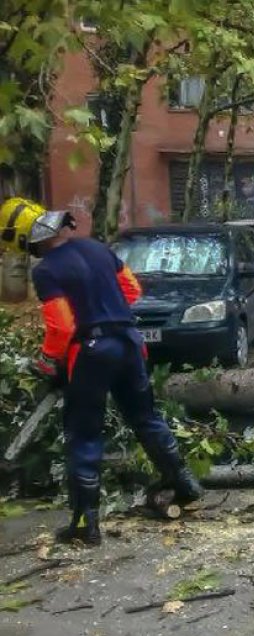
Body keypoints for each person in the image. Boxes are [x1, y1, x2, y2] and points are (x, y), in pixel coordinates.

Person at [26, 210, 203, 546]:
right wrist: (104, 304)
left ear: (34, 241)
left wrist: (49, 360)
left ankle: (85, 524)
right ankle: (184, 484)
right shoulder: (97, 248)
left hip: (92, 350)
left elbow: (62, 327)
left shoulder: (47, 270)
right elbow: (132, 290)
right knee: (145, 417)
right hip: (129, 342)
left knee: (83, 432)